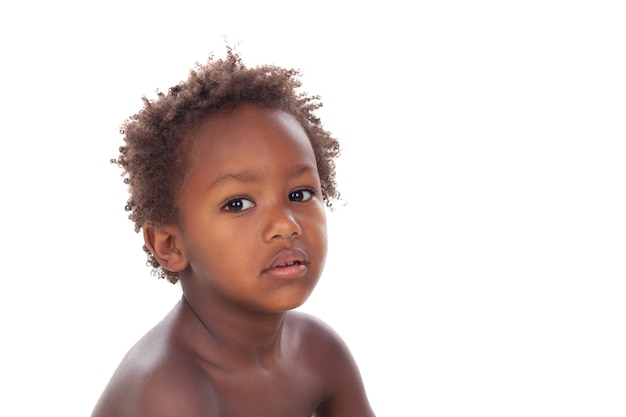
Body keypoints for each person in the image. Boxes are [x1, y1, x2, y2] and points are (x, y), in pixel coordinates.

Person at [91, 48, 376, 417]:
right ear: (169, 244)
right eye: (238, 204)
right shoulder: (172, 389)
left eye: (299, 194)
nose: (285, 225)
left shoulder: (318, 351)